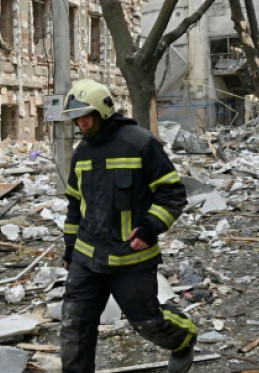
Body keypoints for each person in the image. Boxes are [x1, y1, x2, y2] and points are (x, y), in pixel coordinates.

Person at [59, 79, 196, 373]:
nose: (81, 123)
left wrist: (149, 228)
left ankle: (184, 338)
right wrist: (70, 249)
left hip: (130, 259)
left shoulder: (140, 143)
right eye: (76, 118)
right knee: (74, 328)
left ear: (103, 111)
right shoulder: (81, 153)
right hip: (86, 259)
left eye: (86, 116)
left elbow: (172, 193)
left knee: (148, 323)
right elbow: (74, 204)